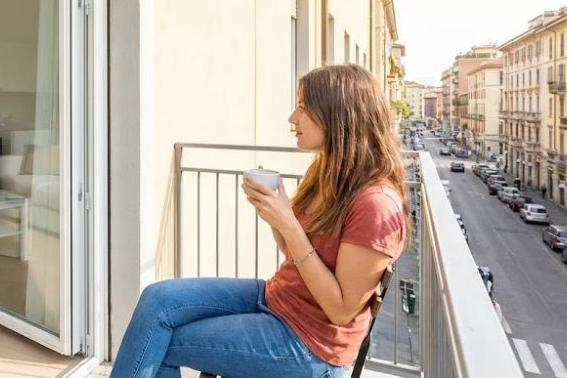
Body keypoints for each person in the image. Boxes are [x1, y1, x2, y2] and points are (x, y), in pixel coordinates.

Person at [110, 64, 411, 378]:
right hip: (277, 300)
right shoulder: (325, 173)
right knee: (157, 299)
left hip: (312, 346)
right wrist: (273, 214)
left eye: (303, 108)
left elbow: (340, 310)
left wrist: (289, 224)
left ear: (338, 116)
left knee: (160, 344)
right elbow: (294, 251)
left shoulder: (376, 205)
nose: (292, 118)